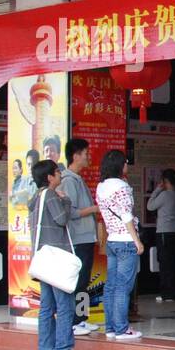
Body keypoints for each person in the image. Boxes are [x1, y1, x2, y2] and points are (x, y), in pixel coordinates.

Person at [28, 159, 88, 350]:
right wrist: (66, 200)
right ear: (49, 177)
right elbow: (62, 219)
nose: (60, 176)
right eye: (57, 173)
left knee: (46, 306)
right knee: (64, 305)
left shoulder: (35, 198)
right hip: (56, 259)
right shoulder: (52, 195)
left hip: (44, 260)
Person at [95, 149, 143, 342]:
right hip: (125, 241)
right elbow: (126, 216)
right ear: (119, 166)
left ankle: (110, 327)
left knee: (111, 286)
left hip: (112, 240)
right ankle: (122, 329)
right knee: (123, 287)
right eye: (126, 162)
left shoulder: (101, 186)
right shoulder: (122, 187)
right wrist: (137, 240)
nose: (127, 165)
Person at [58, 138, 101, 335]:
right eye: (86, 153)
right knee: (79, 279)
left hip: (86, 237)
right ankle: (75, 321)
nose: (88, 157)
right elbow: (72, 212)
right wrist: (94, 208)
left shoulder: (77, 178)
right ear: (75, 156)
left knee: (84, 280)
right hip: (78, 238)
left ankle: (81, 319)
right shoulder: (68, 180)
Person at [147, 169, 175, 303]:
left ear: (165, 181)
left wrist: (156, 190)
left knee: (165, 264)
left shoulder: (165, 195)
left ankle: (168, 294)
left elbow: (150, 206)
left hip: (164, 232)